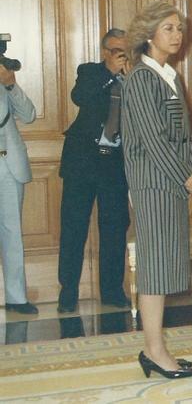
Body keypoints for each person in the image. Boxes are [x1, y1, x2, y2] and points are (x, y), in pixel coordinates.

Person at [122, 2, 192, 379]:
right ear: (149, 35)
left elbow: (183, 134)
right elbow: (155, 142)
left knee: (161, 267)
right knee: (155, 269)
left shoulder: (169, 75)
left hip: (172, 182)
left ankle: (154, 349)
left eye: (179, 28)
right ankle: (155, 352)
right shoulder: (142, 78)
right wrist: (190, 179)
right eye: (168, 29)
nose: (177, 35)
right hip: (153, 184)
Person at [57, 29, 133, 313]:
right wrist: (110, 74)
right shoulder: (90, 72)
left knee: (114, 228)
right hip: (82, 162)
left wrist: (127, 76)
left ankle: (112, 291)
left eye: (125, 50)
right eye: (115, 51)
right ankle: (68, 292)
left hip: (115, 164)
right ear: (105, 52)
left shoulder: (135, 77)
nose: (121, 56)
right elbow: (80, 97)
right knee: (73, 227)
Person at [0, 61, 37, 315]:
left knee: (12, 233)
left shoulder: (5, 81)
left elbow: (29, 115)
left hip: (8, 162)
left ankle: (16, 297)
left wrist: (10, 84)